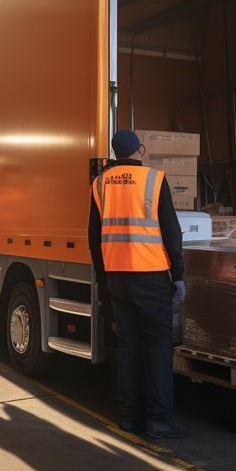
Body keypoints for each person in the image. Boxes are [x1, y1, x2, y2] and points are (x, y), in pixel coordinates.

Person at [89, 130, 188, 440]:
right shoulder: (155, 181)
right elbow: (172, 231)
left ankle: (129, 417)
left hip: (117, 276)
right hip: (151, 274)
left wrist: (103, 277)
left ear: (116, 153)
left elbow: (94, 237)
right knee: (158, 346)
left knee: (128, 346)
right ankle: (159, 421)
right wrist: (179, 273)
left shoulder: (100, 183)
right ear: (141, 150)